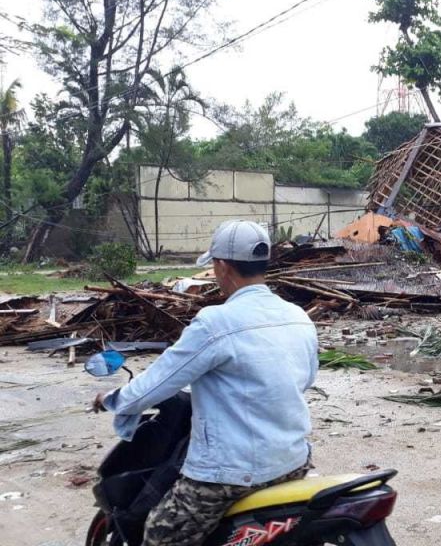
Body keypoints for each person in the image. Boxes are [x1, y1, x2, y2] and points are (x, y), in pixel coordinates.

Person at [92, 220, 319, 546]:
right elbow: (305, 379)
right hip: (292, 462)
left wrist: (112, 400)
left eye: (213, 265)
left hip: (230, 474)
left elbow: (157, 383)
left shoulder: (216, 322)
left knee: (158, 535)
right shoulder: (298, 316)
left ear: (223, 266)